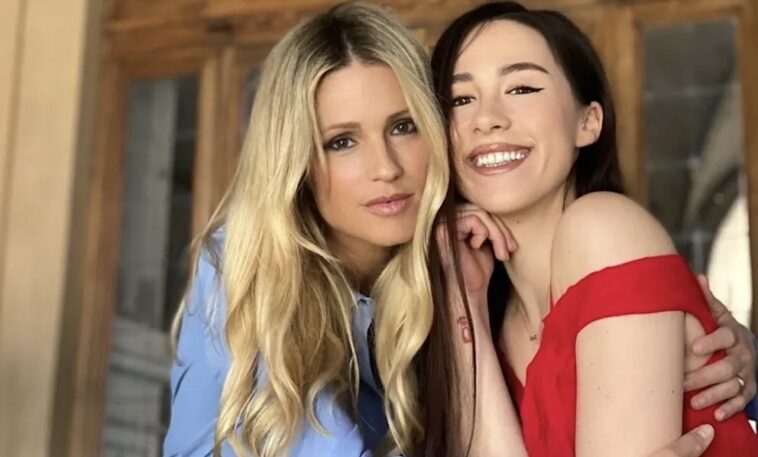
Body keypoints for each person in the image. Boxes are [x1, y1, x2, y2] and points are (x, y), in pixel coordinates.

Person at [430, 2, 758, 456]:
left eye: (522, 88)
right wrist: (462, 303)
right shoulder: (492, 311)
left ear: (588, 122)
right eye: (460, 100)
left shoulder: (604, 228)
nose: (486, 119)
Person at [164, 3, 449, 456]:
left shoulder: (452, 270)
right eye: (342, 142)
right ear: (295, 162)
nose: (386, 168)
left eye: (403, 126)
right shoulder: (247, 264)